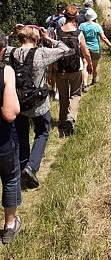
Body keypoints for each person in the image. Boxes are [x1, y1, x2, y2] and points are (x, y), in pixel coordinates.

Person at [6, 25, 74, 189]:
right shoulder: (41, 53)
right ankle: (31, 168)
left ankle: (23, 168)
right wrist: (48, 38)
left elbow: (3, 43)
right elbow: (66, 49)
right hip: (39, 103)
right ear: (36, 39)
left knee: (22, 137)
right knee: (42, 133)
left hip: (19, 102)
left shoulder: (12, 52)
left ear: (21, 38)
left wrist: (13, 33)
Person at [55, 4, 93, 136]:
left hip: (61, 69)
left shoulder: (57, 32)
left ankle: (61, 121)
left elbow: (53, 52)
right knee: (75, 94)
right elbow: (86, 52)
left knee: (63, 96)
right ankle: (70, 117)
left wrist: (50, 71)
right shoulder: (78, 33)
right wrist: (89, 65)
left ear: (64, 16)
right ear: (76, 17)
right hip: (76, 68)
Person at [0, 29, 21, 245]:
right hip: (3, 140)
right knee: (10, 178)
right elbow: (10, 112)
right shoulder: (6, 71)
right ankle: (9, 226)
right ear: (3, 50)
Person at [79, 8, 111, 90]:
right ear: (94, 17)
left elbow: (78, 37)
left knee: (85, 65)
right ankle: (94, 79)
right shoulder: (97, 26)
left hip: (84, 49)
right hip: (95, 48)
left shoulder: (82, 26)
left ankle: (84, 84)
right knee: (94, 66)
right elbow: (103, 38)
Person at [45, 2, 67, 99]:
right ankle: (57, 92)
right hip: (58, 46)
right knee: (58, 69)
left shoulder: (49, 18)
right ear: (64, 10)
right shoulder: (64, 20)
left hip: (47, 46)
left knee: (51, 69)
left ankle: (53, 88)